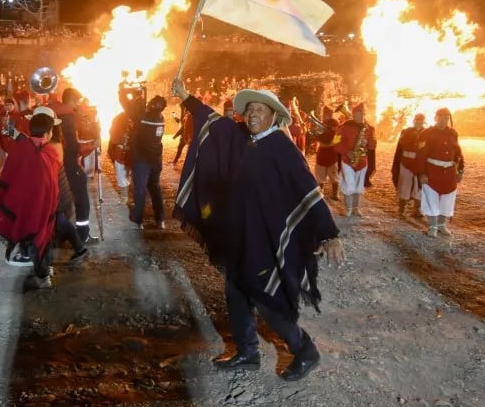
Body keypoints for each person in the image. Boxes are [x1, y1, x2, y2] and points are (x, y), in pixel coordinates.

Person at [172, 78, 344, 381]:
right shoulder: (246, 140)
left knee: (267, 298)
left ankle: (304, 349)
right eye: (249, 109)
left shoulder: (281, 148)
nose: (252, 115)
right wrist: (186, 97)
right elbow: (216, 124)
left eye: (259, 110)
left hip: (265, 239)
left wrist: (329, 233)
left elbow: (308, 190)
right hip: (240, 236)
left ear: (273, 116)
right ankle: (247, 352)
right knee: (236, 293)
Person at [0, 107, 77, 289]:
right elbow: (53, 184)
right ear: (48, 132)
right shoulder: (51, 152)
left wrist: (0, 200)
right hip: (45, 206)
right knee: (42, 238)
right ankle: (44, 275)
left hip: (22, 205)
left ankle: (45, 271)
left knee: (32, 238)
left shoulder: (20, 148)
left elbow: (8, 174)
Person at [49, 88, 93, 244]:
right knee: (81, 200)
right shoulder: (68, 117)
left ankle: (60, 234)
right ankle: (82, 235)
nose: (78, 104)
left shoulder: (55, 113)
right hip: (69, 163)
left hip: (58, 164)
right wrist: (91, 146)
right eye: (77, 101)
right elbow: (73, 146)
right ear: (72, 100)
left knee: (61, 200)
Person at [414, 108, 464, 237]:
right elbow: (421, 155)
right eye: (441, 118)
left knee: (447, 200)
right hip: (432, 172)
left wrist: (460, 170)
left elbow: (458, 153)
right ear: (436, 118)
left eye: (446, 118)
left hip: (449, 173)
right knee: (432, 199)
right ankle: (432, 226)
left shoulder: (453, 133)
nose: (444, 121)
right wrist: (422, 173)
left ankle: (441, 225)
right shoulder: (426, 133)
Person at [129, 95, 167, 229]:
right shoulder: (161, 118)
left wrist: (129, 95)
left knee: (140, 189)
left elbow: (131, 111)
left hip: (143, 159)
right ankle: (160, 219)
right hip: (156, 160)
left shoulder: (145, 118)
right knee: (155, 188)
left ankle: (138, 220)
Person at [335, 103, 376, 217]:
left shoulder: (369, 129)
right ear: (353, 114)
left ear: (364, 114)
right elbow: (335, 143)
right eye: (357, 114)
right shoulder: (342, 127)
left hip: (362, 161)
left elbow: (372, 147)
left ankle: (355, 209)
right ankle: (348, 209)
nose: (359, 116)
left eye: (361, 114)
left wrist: (368, 142)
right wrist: (347, 152)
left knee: (358, 186)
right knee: (348, 184)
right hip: (347, 161)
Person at [392, 113, 426, 219]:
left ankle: (417, 209)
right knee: (404, 186)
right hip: (406, 162)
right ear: (413, 121)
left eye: (421, 121)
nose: (418, 122)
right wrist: (415, 134)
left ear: (423, 121)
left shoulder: (427, 133)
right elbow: (403, 143)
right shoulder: (406, 132)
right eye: (417, 120)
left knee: (419, 187)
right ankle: (402, 210)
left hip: (419, 163)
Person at [313, 116, 341, 200]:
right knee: (334, 176)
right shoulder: (337, 133)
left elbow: (318, 140)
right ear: (333, 126)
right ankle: (335, 195)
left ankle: (320, 194)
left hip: (322, 155)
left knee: (320, 177)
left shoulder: (321, 132)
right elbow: (336, 143)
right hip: (332, 156)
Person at [108, 109, 131, 202]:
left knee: (123, 173)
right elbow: (113, 135)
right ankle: (125, 195)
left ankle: (125, 196)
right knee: (123, 173)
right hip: (122, 151)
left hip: (127, 151)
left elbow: (113, 136)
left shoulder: (137, 117)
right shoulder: (119, 119)